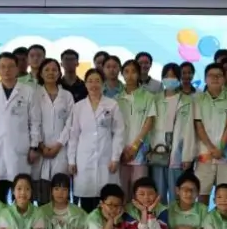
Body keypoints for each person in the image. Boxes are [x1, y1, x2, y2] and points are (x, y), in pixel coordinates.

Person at [0, 52, 42, 203]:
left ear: (17, 68)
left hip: (20, 151)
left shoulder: (28, 91)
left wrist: (34, 146)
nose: (6, 70)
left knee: (21, 194)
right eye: (3, 66)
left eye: (10, 66)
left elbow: (35, 122)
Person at [69, 69, 125, 213]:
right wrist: (71, 161)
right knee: (86, 201)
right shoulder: (78, 107)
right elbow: (74, 135)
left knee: (106, 200)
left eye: (97, 81)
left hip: (106, 158)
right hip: (84, 159)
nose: (94, 85)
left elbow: (119, 132)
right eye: (90, 81)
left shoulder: (112, 105)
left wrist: (115, 158)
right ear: (85, 84)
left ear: (103, 83)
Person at [194, 63, 227, 205]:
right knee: (202, 192)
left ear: (224, 79)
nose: (215, 78)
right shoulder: (198, 99)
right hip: (204, 154)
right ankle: (202, 219)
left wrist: (220, 148)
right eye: (211, 75)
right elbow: (199, 126)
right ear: (205, 79)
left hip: (226, 154)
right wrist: (211, 148)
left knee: (225, 194)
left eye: (219, 75)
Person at [150, 63, 195, 202]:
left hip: (178, 151)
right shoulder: (155, 99)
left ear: (179, 78)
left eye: (173, 76)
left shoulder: (187, 100)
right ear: (162, 78)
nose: (170, 79)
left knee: (177, 192)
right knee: (159, 193)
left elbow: (189, 130)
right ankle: (161, 216)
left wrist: (187, 156)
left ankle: (176, 216)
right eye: (167, 76)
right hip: (158, 150)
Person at [34, 59, 74, 205]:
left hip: (61, 150)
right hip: (40, 150)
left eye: (54, 70)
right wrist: (41, 146)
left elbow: (70, 123)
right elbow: (33, 122)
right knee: (42, 193)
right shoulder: (34, 94)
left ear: (59, 73)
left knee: (60, 190)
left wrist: (58, 145)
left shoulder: (67, 96)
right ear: (40, 73)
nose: (51, 73)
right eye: (47, 70)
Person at [115, 60, 155, 197]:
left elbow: (149, 122)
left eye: (133, 71)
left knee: (140, 191)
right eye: (126, 72)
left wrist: (135, 146)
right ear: (122, 74)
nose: (130, 75)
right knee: (122, 191)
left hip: (140, 151)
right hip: (121, 151)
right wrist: (122, 149)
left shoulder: (148, 97)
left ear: (139, 74)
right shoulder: (116, 99)